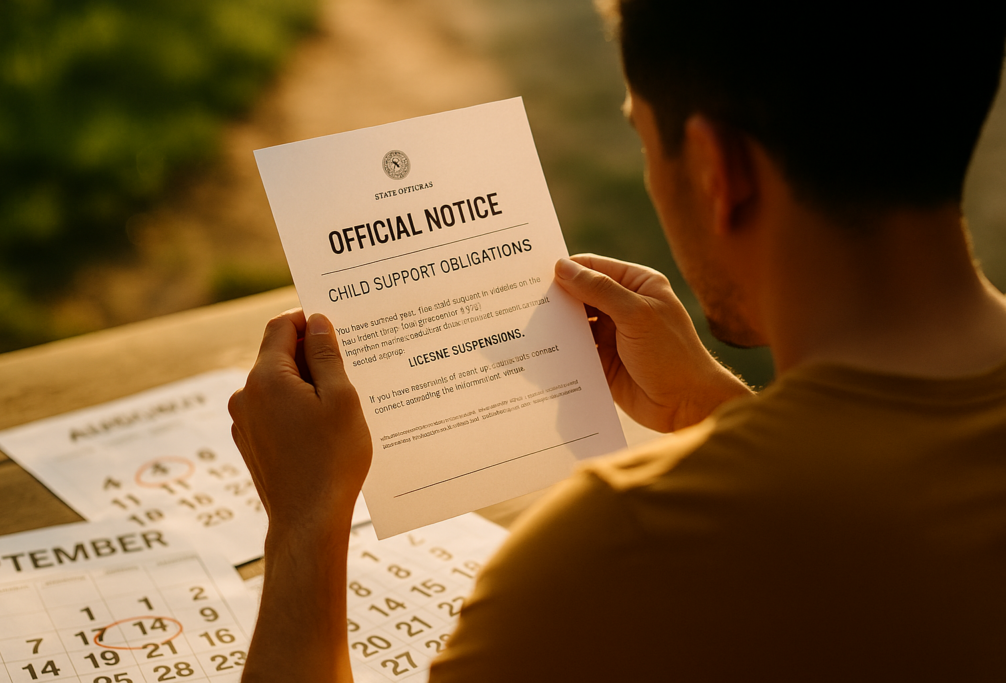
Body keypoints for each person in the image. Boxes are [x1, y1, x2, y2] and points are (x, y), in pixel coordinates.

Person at [227, 1, 1006, 680]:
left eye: (644, 135)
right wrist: (715, 408)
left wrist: (305, 521)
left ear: (714, 167)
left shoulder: (614, 555)